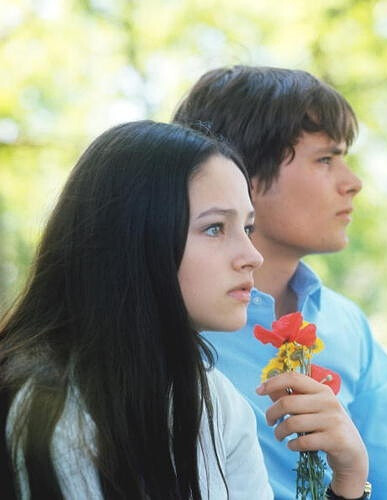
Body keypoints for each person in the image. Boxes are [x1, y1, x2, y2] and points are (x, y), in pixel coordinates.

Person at [174, 65, 387, 499]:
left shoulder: (345, 326)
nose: (353, 183)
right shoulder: (167, 323)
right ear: (238, 174)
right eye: (326, 159)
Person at [0, 121, 273, 499]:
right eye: (215, 228)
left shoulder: (214, 400)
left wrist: (348, 484)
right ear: (135, 237)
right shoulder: (49, 409)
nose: (252, 256)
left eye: (248, 228)